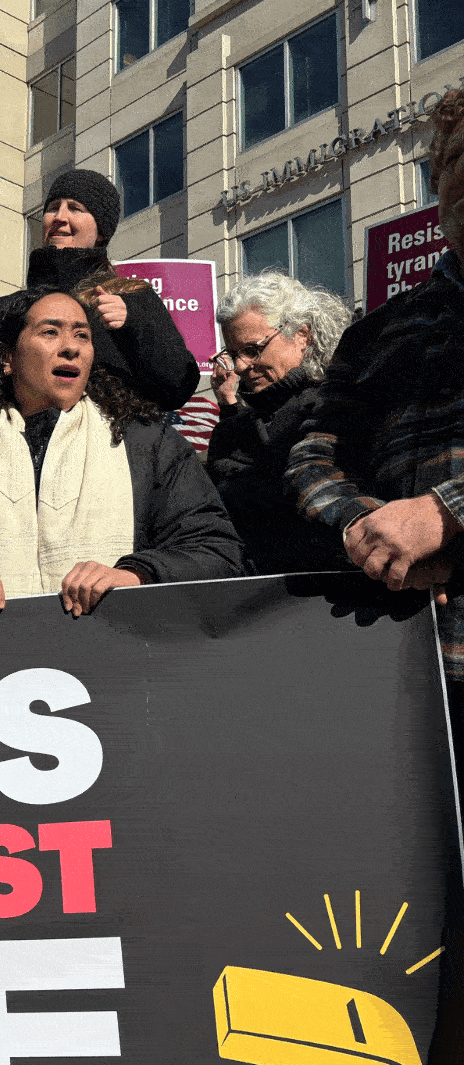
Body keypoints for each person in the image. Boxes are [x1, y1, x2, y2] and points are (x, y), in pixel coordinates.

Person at [0, 287, 244, 614]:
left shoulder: (148, 443)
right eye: (50, 332)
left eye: (82, 336)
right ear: (7, 358)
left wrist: (137, 574)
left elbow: (218, 553)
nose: (70, 347)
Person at [285, 88, 464, 726]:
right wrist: (373, 536)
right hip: (417, 665)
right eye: (453, 160)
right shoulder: (380, 331)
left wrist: (446, 516)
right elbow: (317, 452)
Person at [0, 169, 199, 418]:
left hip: (113, 464)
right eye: (52, 207)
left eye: (76, 208)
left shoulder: (130, 295)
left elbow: (176, 387)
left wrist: (132, 325)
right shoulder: (9, 308)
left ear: (102, 232)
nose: (59, 216)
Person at [207, 272, 352, 573]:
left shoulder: (341, 407)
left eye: (252, 349)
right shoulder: (230, 432)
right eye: (233, 354)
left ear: (302, 335)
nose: (240, 366)